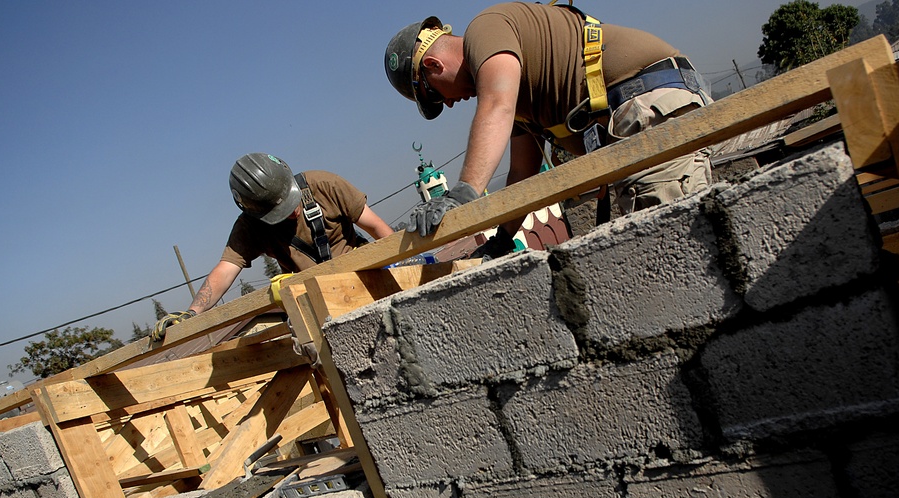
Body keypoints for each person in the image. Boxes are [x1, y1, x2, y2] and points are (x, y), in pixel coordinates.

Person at [384, 1, 712, 258]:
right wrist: (501, 240)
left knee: (676, 251)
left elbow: (496, 104)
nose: (451, 103)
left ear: (432, 66)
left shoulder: (485, 29)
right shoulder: (522, 102)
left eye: (436, 97)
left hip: (645, 105)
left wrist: (462, 195)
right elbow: (522, 174)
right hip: (637, 118)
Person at [152, 153, 393, 341]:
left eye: (290, 200)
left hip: (364, 285)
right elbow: (226, 269)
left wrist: (401, 267)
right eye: (280, 212)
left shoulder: (323, 185)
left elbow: (377, 228)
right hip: (319, 309)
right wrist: (191, 314)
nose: (292, 211)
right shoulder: (251, 226)